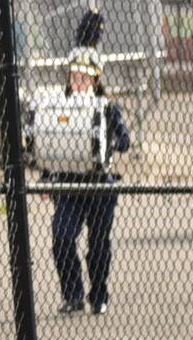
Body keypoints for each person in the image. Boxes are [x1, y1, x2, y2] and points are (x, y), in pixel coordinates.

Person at [35, 43, 131, 316]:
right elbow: (51, 145)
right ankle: (73, 294)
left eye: (84, 78)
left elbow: (124, 141)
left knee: (98, 246)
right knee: (62, 238)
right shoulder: (57, 107)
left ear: (95, 80)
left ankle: (98, 294)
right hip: (69, 184)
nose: (78, 83)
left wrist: (107, 140)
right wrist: (46, 177)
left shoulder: (107, 108)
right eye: (74, 77)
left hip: (99, 185)